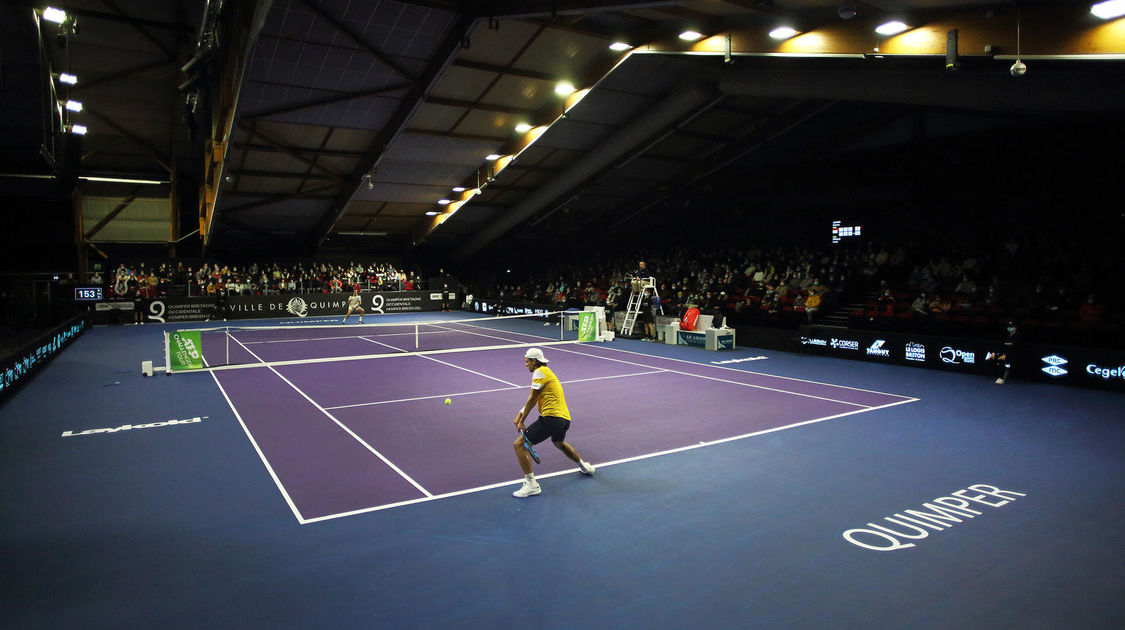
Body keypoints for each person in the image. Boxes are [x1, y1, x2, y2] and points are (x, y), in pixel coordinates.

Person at [512, 348, 595, 497]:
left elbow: (532, 399)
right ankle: (584, 466)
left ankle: (531, 485)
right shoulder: (547, 373)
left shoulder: (539, 372)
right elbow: (536, 398)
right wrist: (520, 414)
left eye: (527, 362)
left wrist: (522, 421)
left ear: (534, 361)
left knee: (519, 445)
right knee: (559, 443)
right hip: (564, 420)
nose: (525, 365)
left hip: (551, 418)